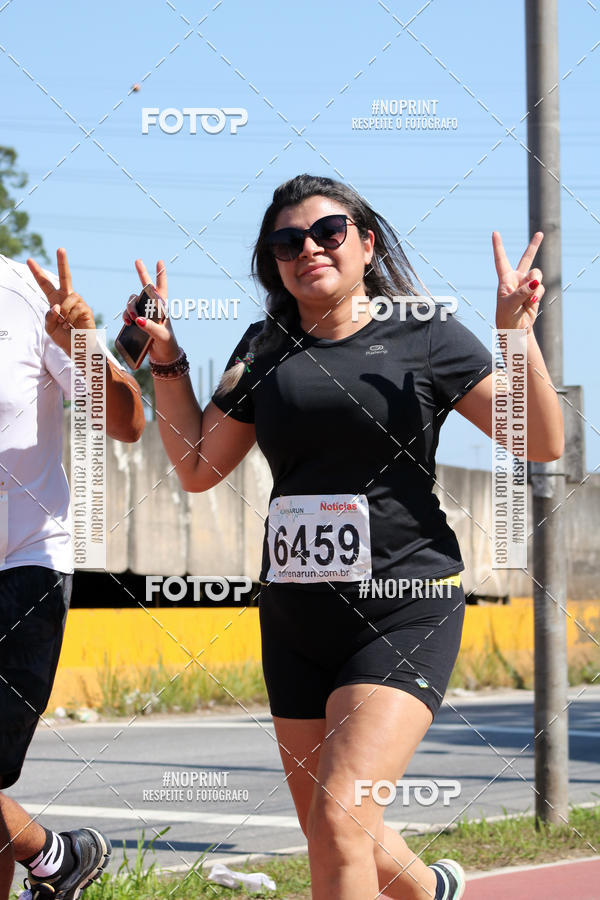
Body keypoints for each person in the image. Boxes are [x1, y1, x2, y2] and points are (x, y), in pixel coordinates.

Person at [124, 174, 564, 900]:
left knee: (338, 821)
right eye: (287, 241)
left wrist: (516, 335)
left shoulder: (424, 334)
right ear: (274, 262)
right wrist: (167, 359)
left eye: (328, 232)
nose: (309, 249)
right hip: (297, 616)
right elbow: (199, 467)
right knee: (334, 830)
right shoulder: (264, 347)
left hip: (403, 603)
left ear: (365, 243)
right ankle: (432, 889)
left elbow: (541, 439)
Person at [0, 249, 145, 900]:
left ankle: (55, 859)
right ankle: (57, 859)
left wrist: (82, 342)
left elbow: (126, 422)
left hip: (22, 565)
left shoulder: (26, 293)